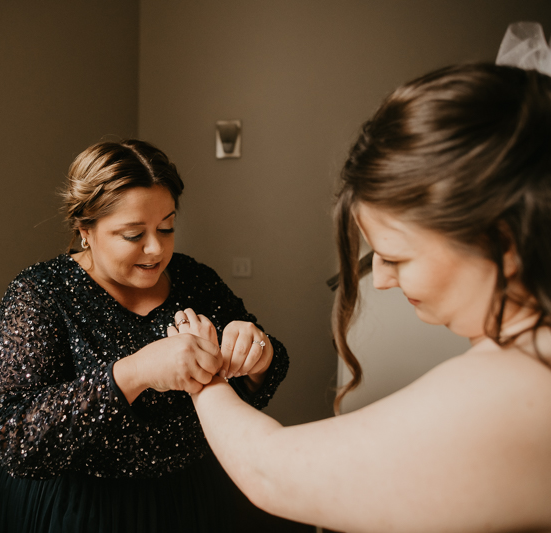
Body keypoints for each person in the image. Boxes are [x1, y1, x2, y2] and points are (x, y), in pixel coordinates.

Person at [186, 25, 551, 533]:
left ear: (504, 244)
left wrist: (201, 378)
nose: (380, 280)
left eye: (396, 257)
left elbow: (271, 473)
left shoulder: (524, 383)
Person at [0, 139, 296, 532]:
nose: (155, 249)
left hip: (190, 499)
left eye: (167, 227)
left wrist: (257, 353)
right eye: (133, 235)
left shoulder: (194, 279)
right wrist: (132, 373)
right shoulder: (41, 294)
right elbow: (10, 437)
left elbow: (267, 368)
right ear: (85, 230)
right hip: (76, 509)